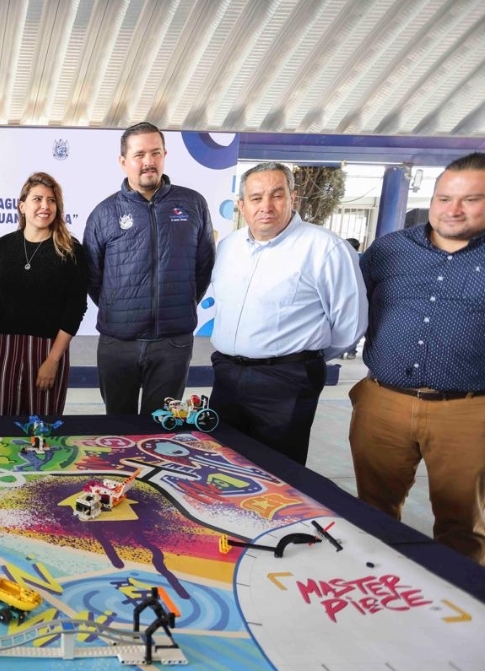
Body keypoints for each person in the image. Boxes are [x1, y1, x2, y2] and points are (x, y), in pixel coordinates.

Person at [350, 152, 485, 564]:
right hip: (382, 402)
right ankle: (378, 583)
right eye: (444, 198)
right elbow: (348, 302)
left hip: (467, 411)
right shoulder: (390, 249)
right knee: (372, 512)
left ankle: (459, 598)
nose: (453, 210)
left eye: (470, 199)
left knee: (463, 524)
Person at [208, 162, 366, 466]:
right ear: (241, 205)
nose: (266, 206)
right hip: (227, 376)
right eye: (256, 198)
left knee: (279, 471)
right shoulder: (229, 246)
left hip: (286, 380)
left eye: (277, 195)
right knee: (223, 464)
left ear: (294, 198)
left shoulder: (325, 248)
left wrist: (299, 358)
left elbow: (351, 324)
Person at [83, 122, 215, 416]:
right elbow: (92, 276)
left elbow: (204, 265)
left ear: (165, 155)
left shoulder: (193, 204)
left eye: (155, 153)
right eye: (139, 154)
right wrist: (120, 309)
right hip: (118, 343)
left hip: (172, 342)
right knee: (119, 426)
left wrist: (179, 303)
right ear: (123, 161)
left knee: (161, 428)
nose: (148, 161)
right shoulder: (104, 213)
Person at [0, 172, 87, 416]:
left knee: (44, 425)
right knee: (1, 424)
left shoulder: (70, 250)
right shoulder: (3, 245)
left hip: (48, 350)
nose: (45, 206)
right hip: (4, 348)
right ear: (22, 206)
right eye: (37, 199)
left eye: (51, 200)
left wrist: (53, 360)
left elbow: (76, 308)